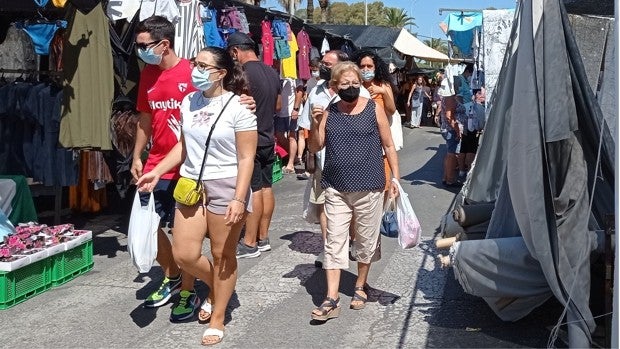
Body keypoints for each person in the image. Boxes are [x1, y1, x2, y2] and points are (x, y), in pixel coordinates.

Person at [136, 46, 257, 346]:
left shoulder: (239, 108)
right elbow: (184, 145)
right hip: (191, 185)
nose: (196, 70)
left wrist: (239, 198)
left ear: (221, 73)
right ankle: (216, 285)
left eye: (203, 66)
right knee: (185, 254)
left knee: (222, 255)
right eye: (195, 63)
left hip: (226, 186)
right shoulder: (189, 101)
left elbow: (246, 158)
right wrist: (156, 170)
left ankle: (218, 314)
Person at [308, 61, 400, 321]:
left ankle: (360, 285)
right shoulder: (329, 111)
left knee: (366, 239)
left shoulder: (373, 109)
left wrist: (395, 178)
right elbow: (316, 147)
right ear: (335, 86)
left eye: (355, 84)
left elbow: (389, 145)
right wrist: (315, 125)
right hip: (336, 187)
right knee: (335, 240)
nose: (350, 88)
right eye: (345, 84)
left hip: (370, 186)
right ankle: (331, 297)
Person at [131, 15, 199, 321]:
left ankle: (189, 289)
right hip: (155, 165)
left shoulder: (193, 73)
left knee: (185, 236)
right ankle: (172, 278)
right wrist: (136, 156)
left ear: (164, 44)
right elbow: (145, 117)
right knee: (150, 226)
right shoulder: (148, 73)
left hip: (188, 167)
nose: (140, 50)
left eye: (144, 45)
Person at [297, 50, 371, 268]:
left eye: (328, 63)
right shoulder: (316, 92)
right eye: (323, 62)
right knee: (323, 205)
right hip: (323, 161)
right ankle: (330, 246)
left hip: (355, 163)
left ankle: (351, 240)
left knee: (354, 207)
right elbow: (307, 127)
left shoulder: (360, 94)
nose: (323, 66)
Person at [227, 32, 281, 259]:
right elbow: (278, 106)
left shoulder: (242, 73)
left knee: (254, 190)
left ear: (235, 51)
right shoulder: (271, 71)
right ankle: (263, 237)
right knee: (266, 188)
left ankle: (249, 243)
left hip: (251, 140)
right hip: (268, 136)